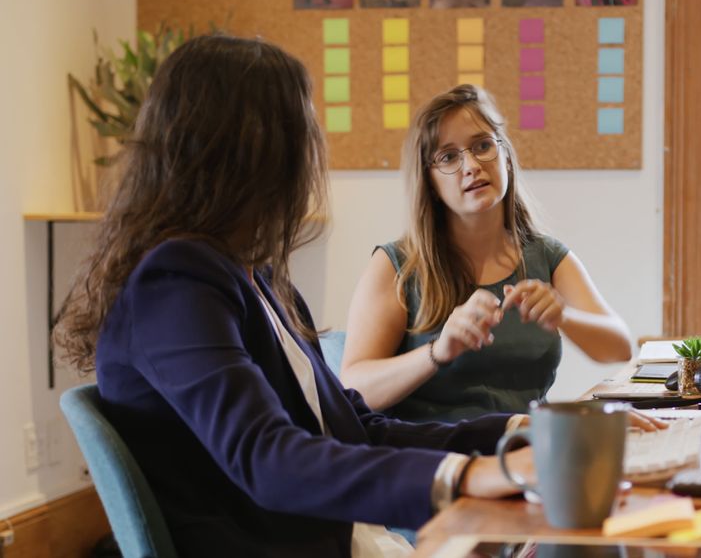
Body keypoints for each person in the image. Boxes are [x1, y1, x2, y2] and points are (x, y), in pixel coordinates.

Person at [52, 35, 534, 557]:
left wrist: (511, 433)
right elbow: (266, 457)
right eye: (304, 124)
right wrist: (464, 477)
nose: (313, 146)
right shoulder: (176, 283)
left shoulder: (254, 276)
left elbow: (352, 428)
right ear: (253, 147)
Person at [340, 85, 634, 423]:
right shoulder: (396, 266)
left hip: (523, 452)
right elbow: (353, 390)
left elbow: (620, 347)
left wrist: (563, 314)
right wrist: (437, 352)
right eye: (449, 156)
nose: (471, 165)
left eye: (482, 146)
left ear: (505, 155)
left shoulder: (546, 256)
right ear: (430, 182)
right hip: (436, 461)